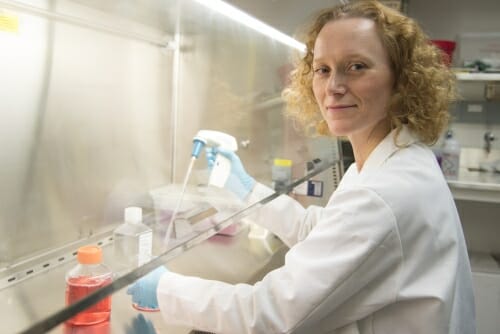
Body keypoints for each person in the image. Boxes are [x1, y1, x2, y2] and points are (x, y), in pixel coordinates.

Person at [127, 1, 476, 333]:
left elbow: (269, 314)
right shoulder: (393, 159)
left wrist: (165, 289)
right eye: (323, 69)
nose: (334, 86)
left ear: (401, 82)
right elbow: (325, 230)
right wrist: (247, 190)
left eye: (357, 66)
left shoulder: (384, 193)